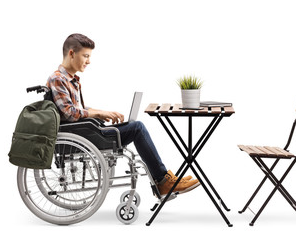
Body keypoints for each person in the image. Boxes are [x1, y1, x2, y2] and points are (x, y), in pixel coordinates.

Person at [46, 33, 200, 196]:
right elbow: (70, 114)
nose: (89, 61)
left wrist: (101, 113)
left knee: (135, 127)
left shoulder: (71, 80)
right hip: (79, 136)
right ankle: (163, 181)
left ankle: (164, 180)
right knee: (137, 128)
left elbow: (77, 109)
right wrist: (98, 113)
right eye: (85, 56)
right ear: (71, 53)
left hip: (84, 132)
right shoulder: (58, 79)